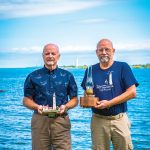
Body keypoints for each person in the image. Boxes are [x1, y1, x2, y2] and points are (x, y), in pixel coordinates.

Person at [81, 39, 139, 150]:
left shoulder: (123, 67)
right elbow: (87, 92)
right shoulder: (90, 70)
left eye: (107, 49)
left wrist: (109, 103)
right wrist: (87, 101)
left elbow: (132, 92)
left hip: (119, 120)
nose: (104, 52)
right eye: (101, 50)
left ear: (113, 51)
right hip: (98, 120)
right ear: (96, 52)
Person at [23, 43, 78, 150]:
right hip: (40, 120)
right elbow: (26, 100)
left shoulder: (68, 76)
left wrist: (65, 107)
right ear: (43, 56)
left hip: (61, 120)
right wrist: (36, 107)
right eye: (47, 53)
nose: (50, 56)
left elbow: (74, 99)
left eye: (53, 53)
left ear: (58, 56)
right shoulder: (32, 76)